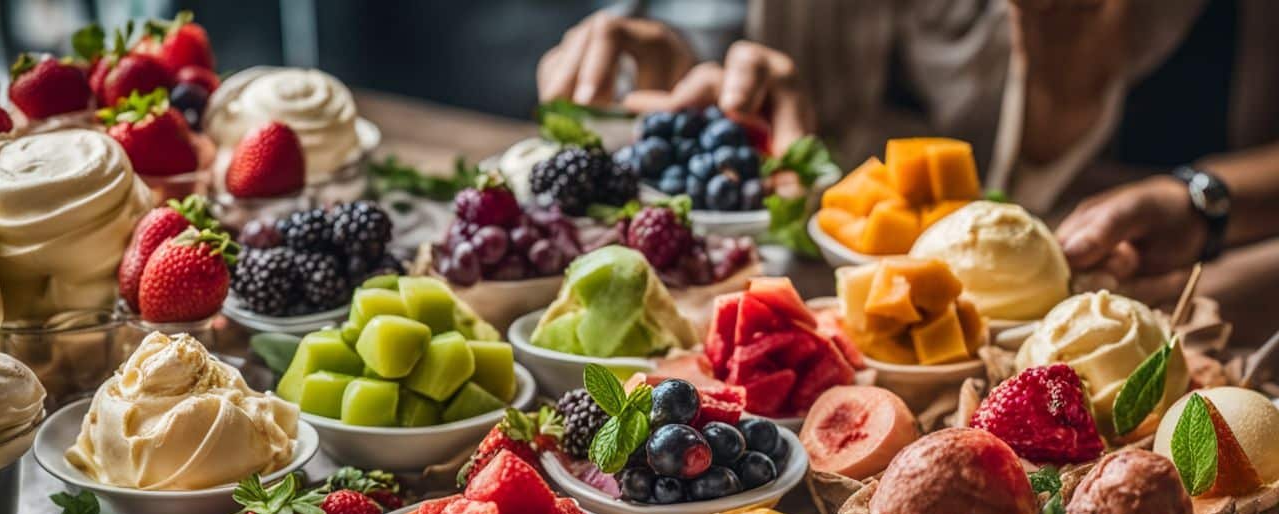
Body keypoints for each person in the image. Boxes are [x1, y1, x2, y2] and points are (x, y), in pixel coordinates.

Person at [538, 1, 1279, 340]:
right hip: (821, 287)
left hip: (1190, 295)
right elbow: (705, 56)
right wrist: (679, 85)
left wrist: (1210, 202)